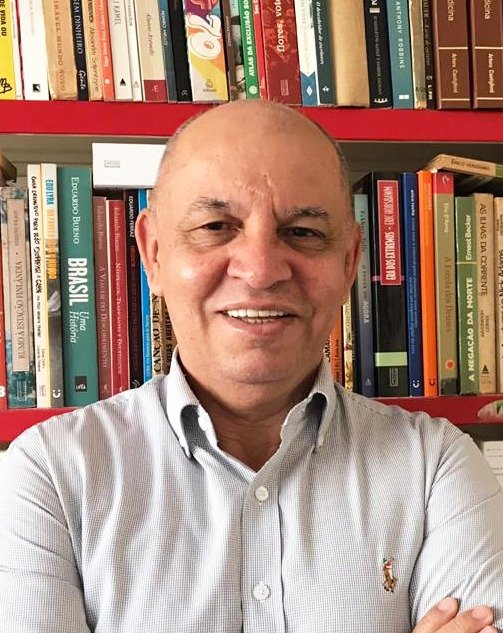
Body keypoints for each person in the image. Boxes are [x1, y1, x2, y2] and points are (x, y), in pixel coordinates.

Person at [0, 100, 502, 633]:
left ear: (350, 261)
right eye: (216, 226)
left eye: (303, 232)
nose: (261, 271)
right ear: (153, 253)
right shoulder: (51, 474)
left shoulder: (436, 466)